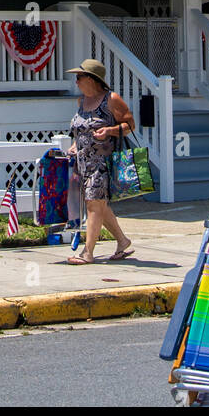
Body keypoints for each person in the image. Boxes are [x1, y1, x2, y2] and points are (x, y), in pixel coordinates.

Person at [65, 58, 136, 265]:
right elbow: (81, 131)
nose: (76, 81)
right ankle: (122, 241)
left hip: (102, 163)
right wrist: (75, 145)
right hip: (83, 162)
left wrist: (110, 131)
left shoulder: (111, 99)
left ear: (92, 79)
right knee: (100, 206)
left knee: (94, 205)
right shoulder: (81, 102)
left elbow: (131, 125)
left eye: (79, 77)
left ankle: (87, 252)